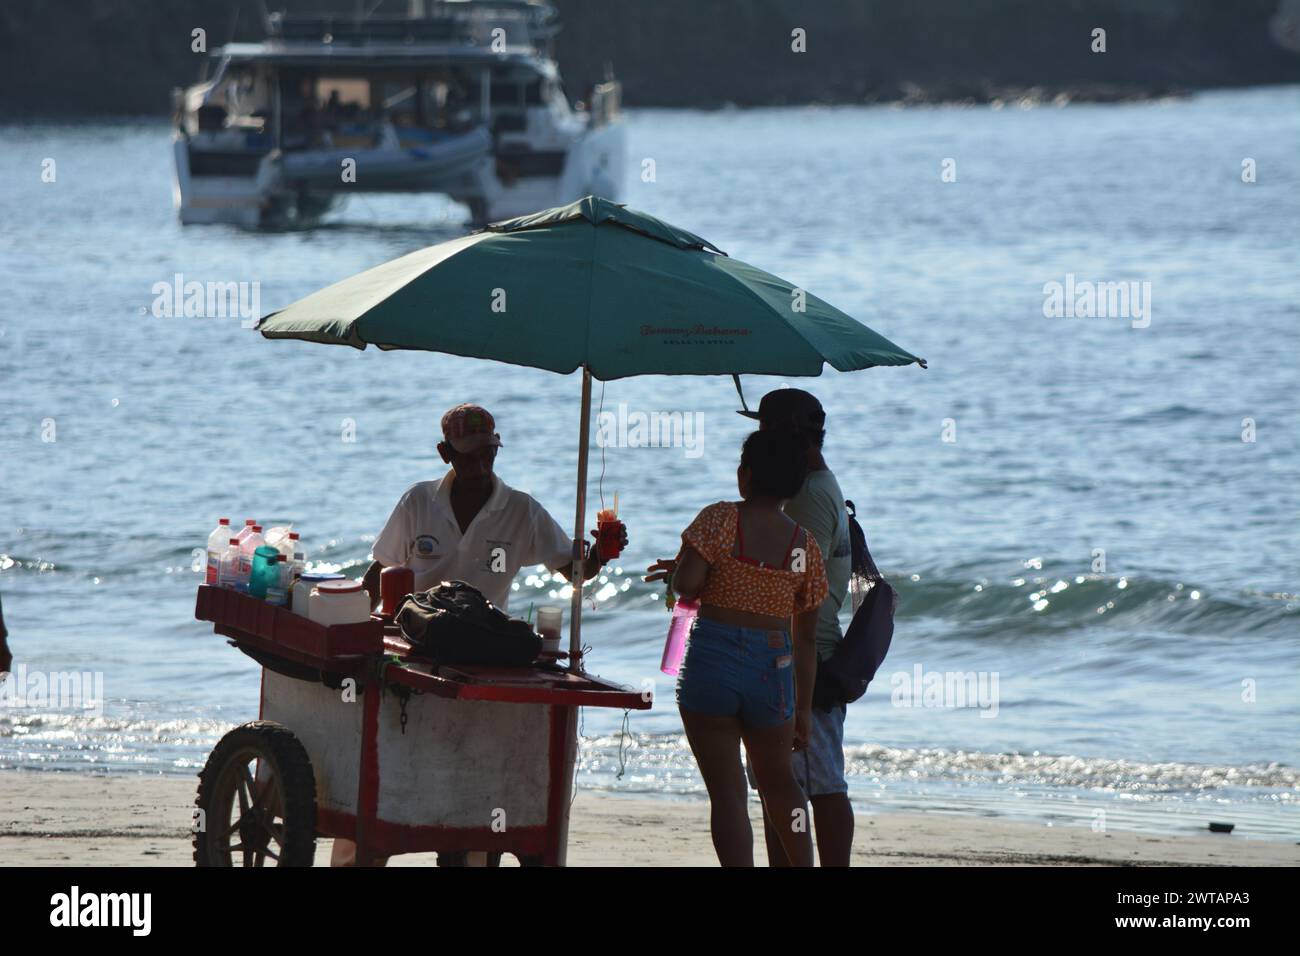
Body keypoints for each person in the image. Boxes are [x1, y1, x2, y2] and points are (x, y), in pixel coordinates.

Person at [334, 402, 626, 868]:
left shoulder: (521, 510)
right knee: (396, 771)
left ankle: (467, 849)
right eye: (469, 455)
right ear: (445, 453)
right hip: (416, 648)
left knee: (474, 778)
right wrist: (349, 623)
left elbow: (575, 571)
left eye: (488, 453)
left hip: (482, 654)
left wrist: (601, 555)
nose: (480, 464)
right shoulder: (418, 502)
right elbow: (380, 571)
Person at [648, 388, 854, 866]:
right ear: (795, 485)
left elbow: (687, 586)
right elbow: (805, 635)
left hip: (711, 663)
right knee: (782, 785)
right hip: (773, 667)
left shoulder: (719, 519)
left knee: (728, 796)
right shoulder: (802, 543)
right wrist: (803, 710)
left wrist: (686, 568)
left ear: (744, 476)